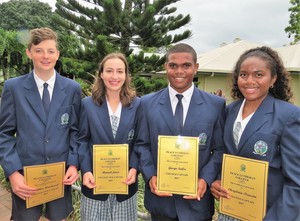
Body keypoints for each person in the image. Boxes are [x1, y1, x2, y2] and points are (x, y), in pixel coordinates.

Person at [134, 43, 226, 221]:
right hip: (161, 202)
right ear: (165, 67)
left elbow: (220, 149)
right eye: (173, 65)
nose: (179, 71)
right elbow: (142, 145)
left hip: (197, 204)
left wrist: (205, 180)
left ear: (196, 67)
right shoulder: (146, 103)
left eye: (186, 65)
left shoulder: (215, 105)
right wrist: (150, 175)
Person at [0, 27, 82, 220]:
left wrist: (73, 164)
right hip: (25, 177)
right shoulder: (14, 88)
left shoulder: (72, 89)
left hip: (59, 177)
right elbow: (4, 134)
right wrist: (13, 172)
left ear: (57, 54)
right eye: (39, 51)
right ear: (29, 53)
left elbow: (76, 131)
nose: (45, 56)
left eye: (51, 51)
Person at [210, 46, 300, 220]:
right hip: (231, 211)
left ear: (273, 78)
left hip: (271, 214)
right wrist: (218, 180)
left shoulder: (289, 116)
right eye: (243, 75)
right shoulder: (230, 111)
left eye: (259, 74)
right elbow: (229, 154)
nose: (249, 80)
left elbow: (296, 182)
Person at [78, 52, 140, 221]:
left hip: (125, 187)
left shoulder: (138, 105)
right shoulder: (87, 105)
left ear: (126, 75)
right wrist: (86, 171)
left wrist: (134, 168)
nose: (114, 76)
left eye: (120, 71)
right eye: (109, 71)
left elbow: (140, 142)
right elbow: (82, 140)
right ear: (101, 74)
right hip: (95, 186)